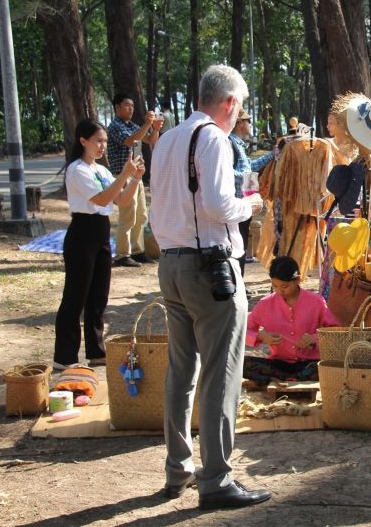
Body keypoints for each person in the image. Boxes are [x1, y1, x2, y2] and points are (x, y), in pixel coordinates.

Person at [149, 64, 269, 510]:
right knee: (221, 371)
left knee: (181, 371)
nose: (239, 117)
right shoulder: (214, 138)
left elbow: (158, 208)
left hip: (172, 265)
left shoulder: (166, 140)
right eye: (240, 108)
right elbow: (220, 205)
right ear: (230, 103)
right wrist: (252, 203)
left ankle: (177, 468)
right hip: (209, 267)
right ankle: (216, 478)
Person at [53, 119, 145, 370]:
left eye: (104, 141)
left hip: (102, 234)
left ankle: (96, 350)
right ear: (83, 141)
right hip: (82, 233)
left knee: (98, 296)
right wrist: (124, 174)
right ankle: (65, 356)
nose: (102, 146)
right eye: (98, 141)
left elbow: (122, 200)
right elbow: (102, 197)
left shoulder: (102, 171)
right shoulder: (77, 169)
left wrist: (135, 178)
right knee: (75, 295)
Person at [244, 256, 339, 385]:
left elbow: (335, 331)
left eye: (285, 286)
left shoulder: (316, 302)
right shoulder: (265, 304)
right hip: (279, 363)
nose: (279, 290)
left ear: (298, 280)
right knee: (241, 363)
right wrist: (261, 336)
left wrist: (315, 338)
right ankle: (292, 380)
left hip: (310, 363)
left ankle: (278, 381)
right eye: (275, 286)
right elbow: (242, 329)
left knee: (328, 369)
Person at [107, 93, 162, 267]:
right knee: (128, 214)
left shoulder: (132, 125)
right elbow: (131, 140)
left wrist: (156, 128)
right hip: (122, 175)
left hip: (136, 174)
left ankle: (137, 251)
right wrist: (147, 124)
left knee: (140, 215)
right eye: (126, 105)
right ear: (117, 107)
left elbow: (150, 140)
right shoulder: (115, 126)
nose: (131, 109)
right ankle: (122, 254)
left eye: (132, 106)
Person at [229, 108, 273, 277]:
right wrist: (251, 180)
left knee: (241, 243)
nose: (250, 125)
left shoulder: (238, 144)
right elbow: (230, 173)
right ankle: (235, 283)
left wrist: (272, 154)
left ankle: (238, 282)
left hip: (243, 205)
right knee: (236, 245)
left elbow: (250, 166)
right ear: (240, 124)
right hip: (237, 205)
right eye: (248, 121)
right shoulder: (229, 143)